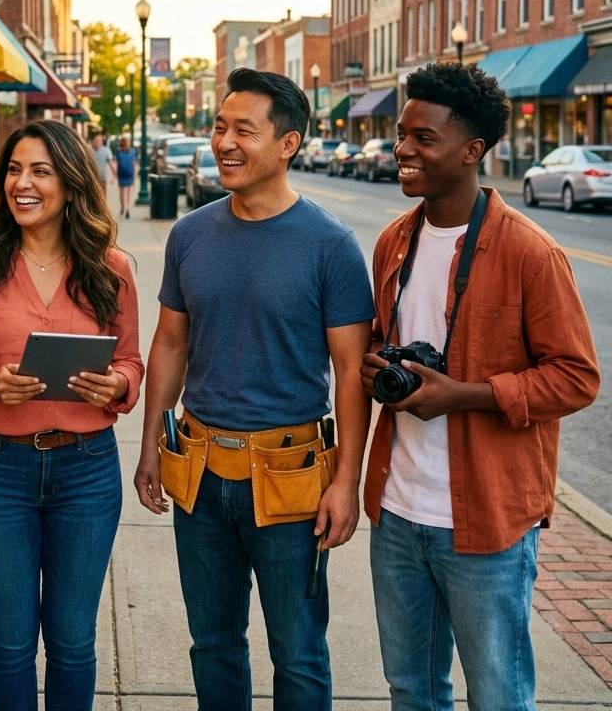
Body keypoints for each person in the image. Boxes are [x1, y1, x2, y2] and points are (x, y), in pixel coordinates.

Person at [134, 67, 375, 711]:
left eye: (244, 130)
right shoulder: (189, 234)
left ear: (288, 144)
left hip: (292, 477)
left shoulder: (331, 246)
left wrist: (346, 480)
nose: (224, 143)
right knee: (212, 644)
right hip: (202, 469)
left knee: (298, 654)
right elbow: (170, 344)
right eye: (219, 127)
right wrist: (152, 443)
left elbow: (352, 372)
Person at [360, 62, 600, 711]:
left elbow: (578, 378)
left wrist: (464, 395)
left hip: (488, 524)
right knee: (412, 691)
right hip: (398, 512)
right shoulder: (393, 243)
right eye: (401, 133)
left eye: (423, 139)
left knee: (497, 696)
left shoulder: (530, 252)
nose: (403, 149)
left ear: (471, 152)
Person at [0, 119, 144, 711]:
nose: (22, 184)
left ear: (72, 185)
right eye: (14, 171)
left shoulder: (111, 267)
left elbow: (130, 360)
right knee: (10, 642)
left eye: (40, 171)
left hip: (87, 470)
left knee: (74, 643)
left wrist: (115, 385)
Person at [113, 134, 137, 219]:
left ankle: (124, 208)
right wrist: (135, 174)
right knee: (128, 193)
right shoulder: (132, 152)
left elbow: (116, 164)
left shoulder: (119, 153)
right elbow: (134, 163)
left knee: (123, 192)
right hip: (128, 174)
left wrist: (114, 175)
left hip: (122, 174)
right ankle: (127, 209)